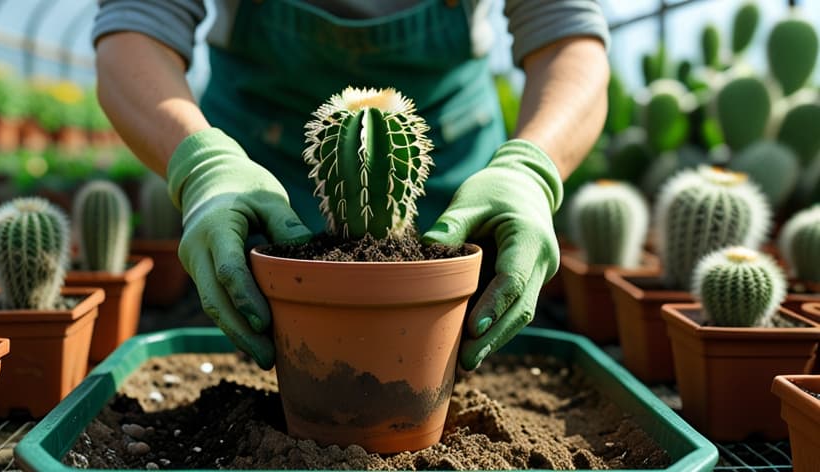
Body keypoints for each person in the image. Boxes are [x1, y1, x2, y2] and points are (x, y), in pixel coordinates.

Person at [92, 0, 610, 371]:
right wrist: (203, 165)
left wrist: (528, 171)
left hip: (454, 167)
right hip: (251, 163)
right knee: (244, 334)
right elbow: (135, 27)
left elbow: (568, 37)